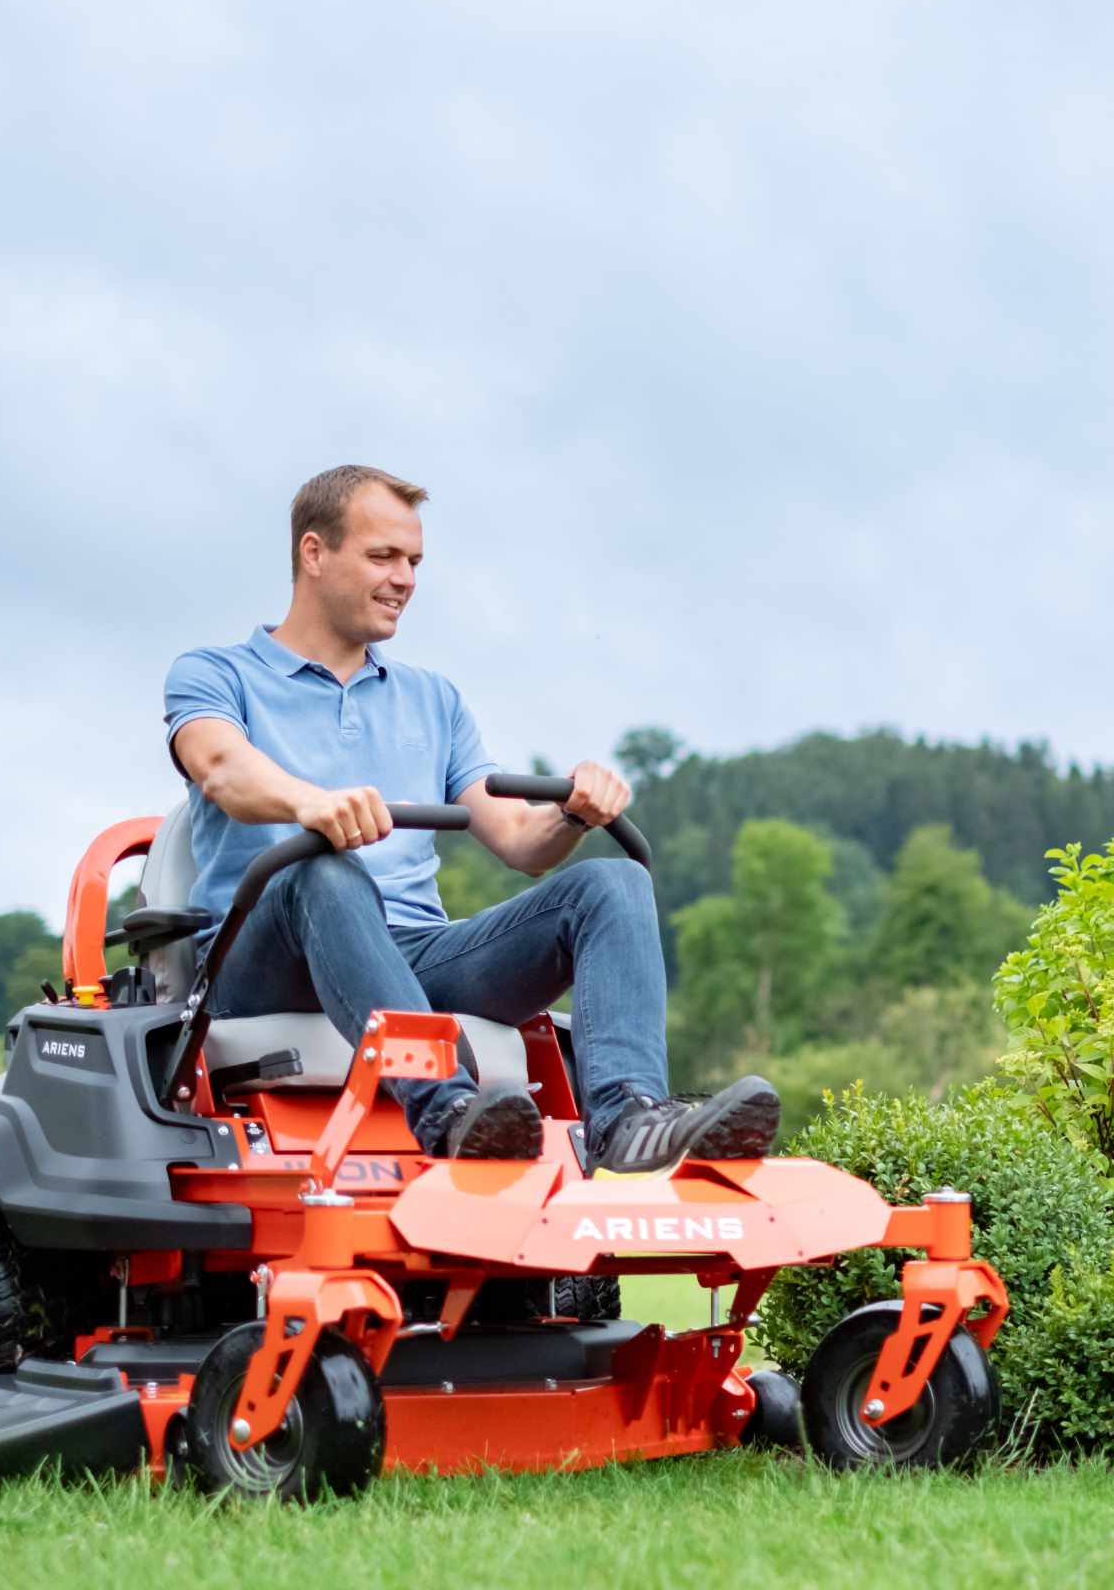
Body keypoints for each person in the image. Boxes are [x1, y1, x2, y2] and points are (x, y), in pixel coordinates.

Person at [161, 463, 778, 1170]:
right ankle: (450, 1109)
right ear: (314, 552)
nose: (404, 579)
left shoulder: (434, 699)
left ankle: (627, 1116)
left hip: (413, 953)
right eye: (383, 556)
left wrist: (573, 814)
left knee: (613, 884)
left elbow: (517, 837)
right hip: (265, 956)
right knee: (323, 870)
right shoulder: (216, 673)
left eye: (414, 561)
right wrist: (310, 802)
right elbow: (221, 766)